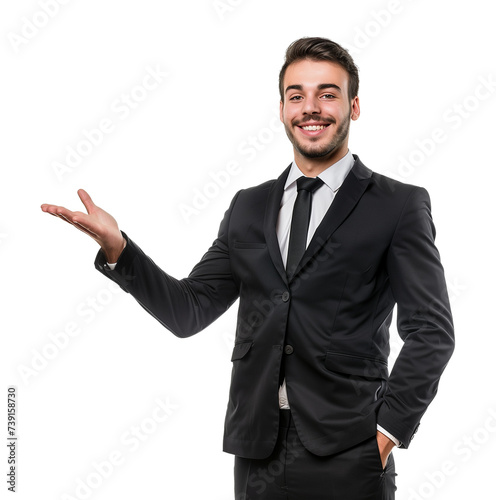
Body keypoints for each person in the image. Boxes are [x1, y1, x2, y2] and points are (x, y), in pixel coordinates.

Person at [41, 37, 455, 500]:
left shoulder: (398, 205)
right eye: (296, 95)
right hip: (257, 452)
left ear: (353, 107)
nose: (310, 107)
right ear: (281, 109)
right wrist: (120, 249)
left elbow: (432, 332)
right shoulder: (249, 205)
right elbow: (189, 310)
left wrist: (386, 434)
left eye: (328, 94)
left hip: (350, 453)